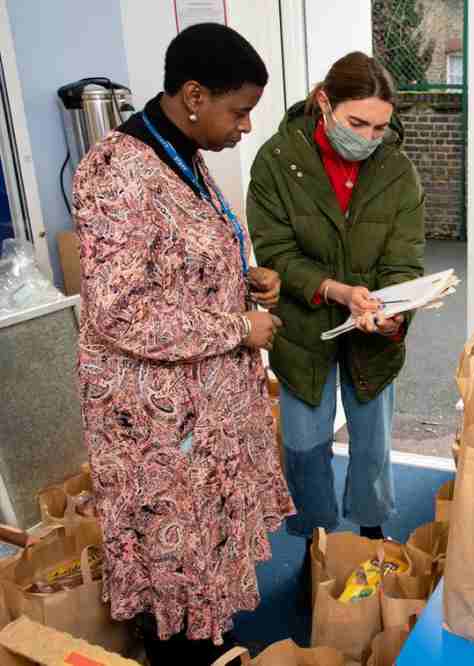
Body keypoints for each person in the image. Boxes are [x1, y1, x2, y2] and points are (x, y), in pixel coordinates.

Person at [74, 23, 294, 664]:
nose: (246, 127)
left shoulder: (182, 156)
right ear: (194, 95)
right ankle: (183, 649)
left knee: (204, 543)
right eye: (240, 110)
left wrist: (244, 278)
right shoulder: (116, 171)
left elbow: (176, 265)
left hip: (199, 405)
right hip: (155, 422)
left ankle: (208, 638)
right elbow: (117, 311)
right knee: (175, 551)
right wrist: (235, 328)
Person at [247, 52, 425, 573]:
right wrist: (334, 290)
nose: (369, 139)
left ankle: (371, 531)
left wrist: (393, 310)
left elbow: (403, 260)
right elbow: (275, 252)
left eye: (380, 127)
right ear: (324, 101)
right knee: (304, 445)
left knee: (373, 440)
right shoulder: (277, 161)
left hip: (370, 331)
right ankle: (315, 539)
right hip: (303, 328)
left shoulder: (396, 169)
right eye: (357, 124)